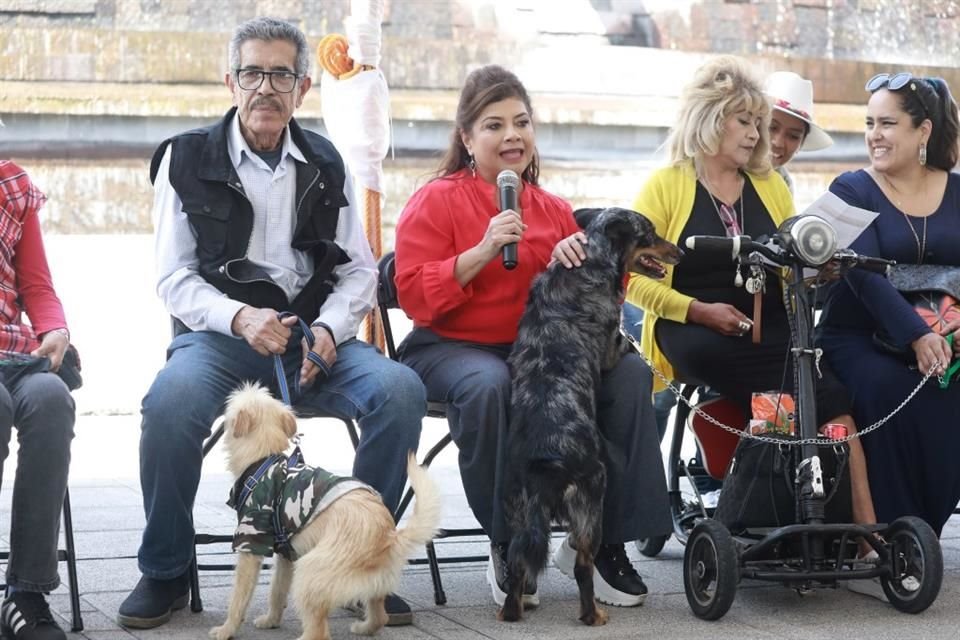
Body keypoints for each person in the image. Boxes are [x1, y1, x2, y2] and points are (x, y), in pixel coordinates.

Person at [116, 17, 426, 629]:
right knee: (169, 404)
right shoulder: (185, 159)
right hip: (220, 339)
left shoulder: (325, 160)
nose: (266, 87)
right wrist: (239, 317)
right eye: (253, 72)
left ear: (303, 87)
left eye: (280, 73)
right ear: (230, 81)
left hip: (309, 337)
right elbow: (173, 279)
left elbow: (361, 273)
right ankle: (166, 569)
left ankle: (360, 558)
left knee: (400, 390)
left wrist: (332, 331)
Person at [393, 64, 671, 609]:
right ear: (467, 138)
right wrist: (481, 251)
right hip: (455, 349)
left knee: (632, 375)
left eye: (522, 123)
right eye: (494, 125)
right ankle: (509, 538)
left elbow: (600, 300)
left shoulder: (554, 209)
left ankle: (604, 539)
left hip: (544, 354)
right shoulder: (436, 200)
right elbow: (411, 296)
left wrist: (581, 266)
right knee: (490, 384)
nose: (512, 135)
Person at [625, 56, 877, 536]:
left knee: (836, 403)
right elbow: (632, 278)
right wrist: (696, 310)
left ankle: (867, 535)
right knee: (779, 396)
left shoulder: (769, 185)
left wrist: (815, 272)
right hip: (693, 328)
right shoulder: (666, 184)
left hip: (770, 327)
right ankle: (766, 523)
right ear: (711, 118)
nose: (756, 135)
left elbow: (789, 269)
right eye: (745, 121)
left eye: (758, 124)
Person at [817, 74, 960, 560]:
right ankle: (889, 533)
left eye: (888, 124)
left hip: (946, 334)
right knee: (891, 388)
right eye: (869, 123)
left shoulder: (957, 192)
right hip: (857, 336)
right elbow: (863, 276)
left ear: (923, 131)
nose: (875, 134)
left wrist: (940, 335)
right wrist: (918, 336)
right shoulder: (853, 187)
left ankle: (924, 528)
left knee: (950, 388)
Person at [0, 160, 75, 640]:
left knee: (52, 399)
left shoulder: (11, 186)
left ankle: (25, 593)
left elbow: (36, 284)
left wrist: (55, 329)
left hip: (15, 353)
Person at [763, 71, 834, 194]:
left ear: (801, 143)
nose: (778, 143)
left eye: (793, 136)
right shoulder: (726, 169)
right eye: (771, 127)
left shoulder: (784, 184)